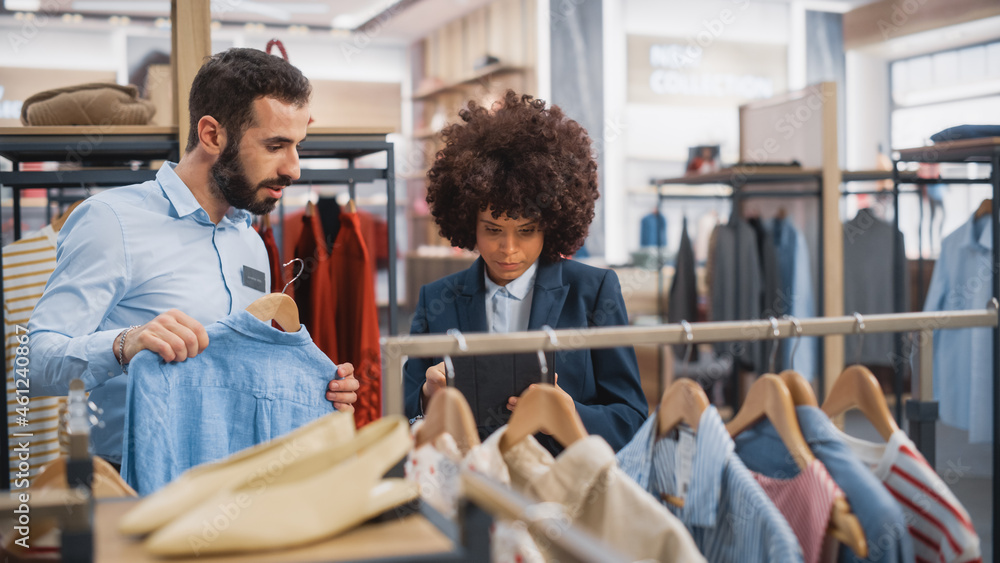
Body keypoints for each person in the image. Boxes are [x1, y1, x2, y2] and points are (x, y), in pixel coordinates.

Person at [27, 48, 358, 468]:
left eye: (297, 146)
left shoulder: (252, 243)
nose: (294, 168)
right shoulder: (112, 222)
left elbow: (239, 372)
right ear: (211, 135)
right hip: (127, 480)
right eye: (276, 145)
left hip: (233, 481)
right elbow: (31, 365)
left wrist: (316, 390)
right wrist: (125, 344)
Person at [403, 90, 647, 452]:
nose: (509, 249)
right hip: (471, 490)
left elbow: (633, 422)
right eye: (493, 230)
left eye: (527, 230)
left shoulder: (593, 292)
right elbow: (398, 415)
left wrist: (567, 413)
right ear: (469, 223)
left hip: (561, 490)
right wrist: (427, 396)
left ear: (551, 224)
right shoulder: (437, 299)